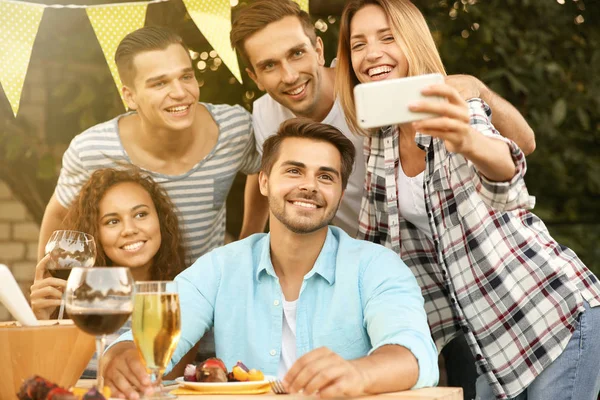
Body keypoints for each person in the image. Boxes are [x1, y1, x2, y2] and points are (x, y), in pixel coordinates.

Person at [334, 1, 600, 399]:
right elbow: (376, 250)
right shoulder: (381, 141)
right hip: (490, 343)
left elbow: (506, 178)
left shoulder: (454, 105)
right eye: (358, 44)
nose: (371, 53)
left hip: (553, 316)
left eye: (387, 37)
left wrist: (469, 141)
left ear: (413, 41)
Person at [103, 119, 439, 400]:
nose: (309, 186)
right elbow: (143, 341)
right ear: (264, 181)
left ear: (339, 191)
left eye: (325, 176)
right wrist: (123, 358)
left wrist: (356, 373)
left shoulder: (376, 266)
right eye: (294, 171)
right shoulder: (220, 267)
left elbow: (414, 355)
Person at [230, 0, 536, 240]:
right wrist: (249, 238)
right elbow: (262, 172)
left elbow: (521, 146)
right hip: (372, 254)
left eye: (297, 53)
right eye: (269, 65)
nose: (290, 75)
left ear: (319, 49)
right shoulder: (264, 113)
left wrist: (478, 90)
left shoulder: (376, 89)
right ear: (254, 77)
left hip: (452, 240)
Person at [37, 26, 261, 264]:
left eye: (186, 76)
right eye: (160, 84)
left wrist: (247, 240)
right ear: (130, 96)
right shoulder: (92, 150)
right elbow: (59, 215)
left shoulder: (234, 129)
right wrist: (46, 283)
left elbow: (263, 169)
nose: (180, 92)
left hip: (207, 293)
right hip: (128, 292)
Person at [30, 167, 187, 377]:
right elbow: (47, 378)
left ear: (160, 219)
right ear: (95, 233)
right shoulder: (74, 301)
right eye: (112, 221)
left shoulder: (181, 296)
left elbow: (165, 377)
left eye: (141, 214)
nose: (129, 229)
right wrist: (40, 323)